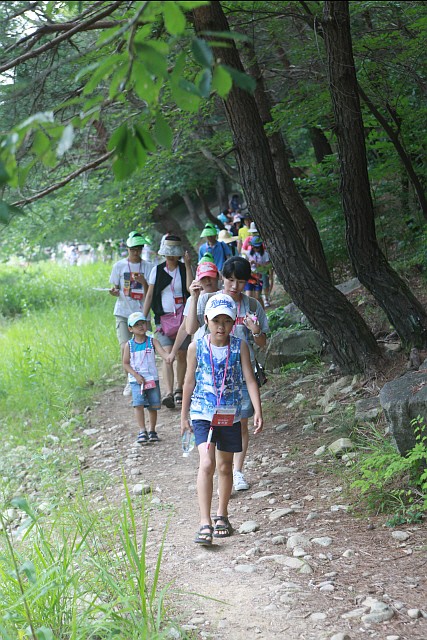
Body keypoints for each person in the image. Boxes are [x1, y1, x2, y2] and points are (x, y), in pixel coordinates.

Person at [181, 293, 263, 546]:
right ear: (206, 319)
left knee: (225, 466)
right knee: (207, 463)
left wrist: (258, 409)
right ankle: (204, 522)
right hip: (202, 413)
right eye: (216, 320)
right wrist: (184, 415)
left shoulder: (240, 346)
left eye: (227, 321)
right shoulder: (196, 346)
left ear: (233, 322)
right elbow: (188, 381)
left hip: (230, 414)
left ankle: (222, 515)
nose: (221, 326)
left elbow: (250, 379)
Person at [186, 256, 269, 492]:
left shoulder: (252, 305)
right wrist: (194, 298)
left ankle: (236, 471)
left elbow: (262, 342)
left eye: (240, 281)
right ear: (222, 278)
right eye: (230, 280)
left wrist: (255, 331)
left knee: (240, 424)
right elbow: (190, 329)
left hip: (241, 375)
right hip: (210, 376)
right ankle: (215, 469)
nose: (235, 286)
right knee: (212, 425)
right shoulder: (207, 300)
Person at [143, 235, 191, 409]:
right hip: (163, 320)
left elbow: (190, 289)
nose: (171, 256)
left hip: (183, 319)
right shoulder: (156, 270)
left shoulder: (184, 269)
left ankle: (179, 388)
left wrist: (188, 265)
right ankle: (169, 393)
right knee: (167, 354)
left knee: (182, 354)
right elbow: (150, 295)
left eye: (174, 253)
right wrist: (143, 317)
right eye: (168, 253)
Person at [109, 231, 152, 396]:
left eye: (138, 249)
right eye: (133, 249)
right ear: (127, 249)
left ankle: (146, 377)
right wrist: (114, 292)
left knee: (142, 348)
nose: (135, 252)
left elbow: (151, 293)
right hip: (123, 312)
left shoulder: (148, 267)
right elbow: (116, 288)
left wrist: (144, 282)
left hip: (141, 313)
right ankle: (129, 379)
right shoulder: (119, 266)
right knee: (124, 346)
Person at [123, 312, 170, 444]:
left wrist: (169, 357)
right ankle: (142, 430)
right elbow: (125, 363)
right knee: (138, 405)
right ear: (130, 329)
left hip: (151, 379)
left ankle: (152, 430)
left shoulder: (152, 341)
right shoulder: (129, 345)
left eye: (142, 323)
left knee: (153, 405)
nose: (141, 326)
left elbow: (163, 354)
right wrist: (135, 375)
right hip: (136, 381)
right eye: (136, 325)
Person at [166, 258, 220, 363]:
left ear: (218, 276)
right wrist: (173, 352)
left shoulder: (224, 296)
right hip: (201, 348)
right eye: (204, 278)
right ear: (198, 280)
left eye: (211, 277)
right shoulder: (192, 299)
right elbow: (185, 328)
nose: (208, 281)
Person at [242, 236, 272, 307]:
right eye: (255, 247)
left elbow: (268, 265)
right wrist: (248, 263)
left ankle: (263, 307)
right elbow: (243, 256)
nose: (256, 249)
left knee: (257, 296)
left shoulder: (265, 254)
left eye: (258, 247)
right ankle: (250, 311)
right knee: (248, 295)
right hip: (250, 276)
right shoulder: (249, 253)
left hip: (260, 276)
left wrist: (257, 264)